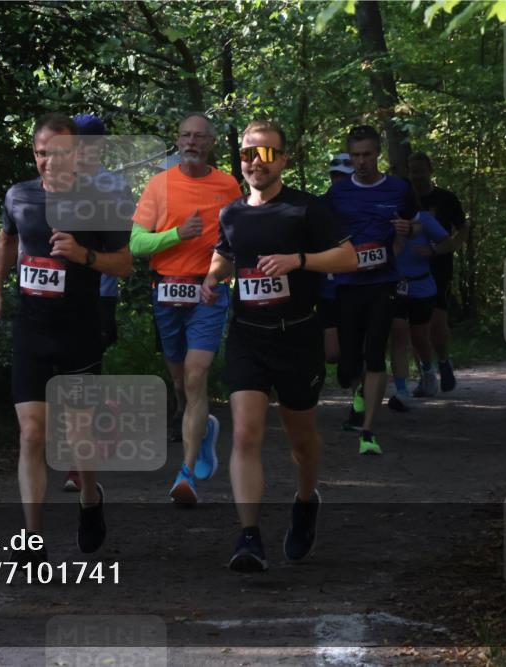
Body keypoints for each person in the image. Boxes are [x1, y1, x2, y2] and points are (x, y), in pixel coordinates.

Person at [202, 120, 356, 571]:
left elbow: (348, 258)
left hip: (298, 335)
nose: (255, 162)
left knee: (301, 440)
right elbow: (225, 256)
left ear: (284, 160)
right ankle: (248, 537)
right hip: (248, 335)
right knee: (246, 432)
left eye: (267, 154)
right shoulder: (231, 212)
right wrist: (213, 278)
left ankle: (306, 500)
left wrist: (299, 261)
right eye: (249, 153)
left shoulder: (306, 209)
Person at [0, 113, 132, 558]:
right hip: (32, 327)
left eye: (58, 153)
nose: (48, 162)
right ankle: (31, 537)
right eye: (41, 153)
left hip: (79, 328)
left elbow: (122, 264)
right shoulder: (19, 195)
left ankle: (90, 500)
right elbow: (7, 240)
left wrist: (84, 255)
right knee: (31, 434)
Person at [131, 113, 242, 504]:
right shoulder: (160, 185)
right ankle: (202, 428)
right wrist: (178, 234)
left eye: (198, 137)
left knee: (196, 377)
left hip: (208, 294)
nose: (191, 142)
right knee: (181, 382)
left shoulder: (228, 186)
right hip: (166, 293)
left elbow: (239, 240)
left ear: (211, 143)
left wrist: (221, 275)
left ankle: (186, 473)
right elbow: (136, 245)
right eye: (184, 135)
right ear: (177, 142)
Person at [327, 125, 418, 455]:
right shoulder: (337, 194)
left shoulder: (398, 188)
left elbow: (415, 223)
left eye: (367, 155)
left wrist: (407, 230)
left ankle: (367, 430)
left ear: (377, 154)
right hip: (349, 282)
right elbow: (320, 227)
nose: (362, 161)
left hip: (383, 281)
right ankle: (358, 391)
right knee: (349, 361)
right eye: (355, 156)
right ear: (349, 157)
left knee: (375, 350)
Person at [63, 113, 135, 493]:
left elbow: (120, 249)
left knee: (86, 375)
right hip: (54, 295)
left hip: (98, 292)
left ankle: (79, 462)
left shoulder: (115, 186)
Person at [408, 152, 468, 393]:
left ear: (430, 170)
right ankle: (425, 371)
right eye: (414, 170)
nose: (418, 174)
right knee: (414, 325)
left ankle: (443, 361)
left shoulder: (446, 199)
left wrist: (451, 245)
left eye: (422, 169)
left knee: (435, 321)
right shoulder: (404, 200)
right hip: (409, 269)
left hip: (438, 266)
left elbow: (462, 228)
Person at [387, 210, 453, 411]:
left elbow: (447, 242)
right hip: (393, 286)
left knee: (419, 338)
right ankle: (402, 390)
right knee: (398, 336)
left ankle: (427, 369)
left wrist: (432, 250)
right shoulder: (385, 217)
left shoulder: (423, 219)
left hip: (422, 286)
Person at [320, 153, 354, 365]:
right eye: (335, 176)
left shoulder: (364, 207)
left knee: (356, 345)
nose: (339, 181)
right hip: (327, 287)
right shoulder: (319, 205)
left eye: (344, 176)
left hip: (358, 285)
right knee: (332, 354)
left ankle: (360, 395)